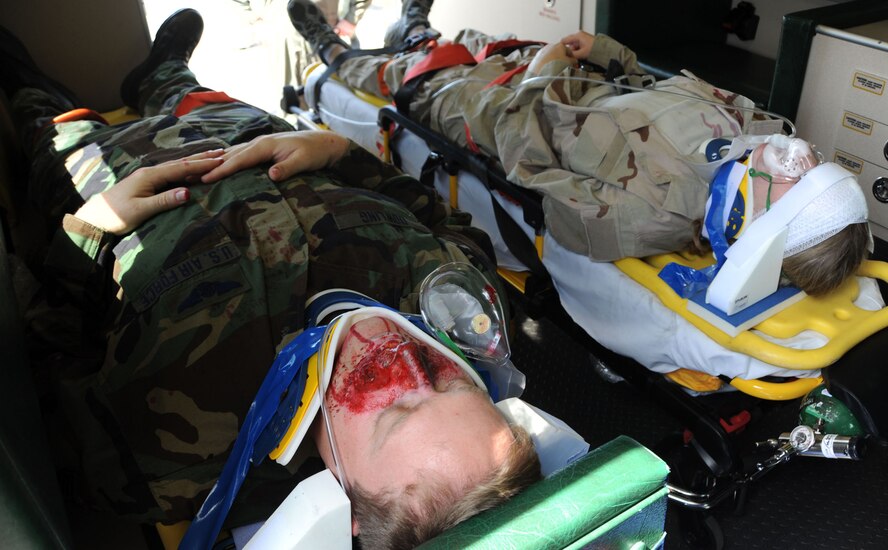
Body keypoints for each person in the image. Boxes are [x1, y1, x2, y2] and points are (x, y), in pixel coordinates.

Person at [0, 8, 540, 547]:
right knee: (189, 92)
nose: (404, 351)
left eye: (395, 410)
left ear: (340, 500)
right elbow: (450, 224)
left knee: (44, 119)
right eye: (450, 380)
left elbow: (45, 358)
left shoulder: (164, 451)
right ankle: (163, 74)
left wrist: (89, 230)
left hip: (98, 171)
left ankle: (29, 86)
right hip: (242, 131)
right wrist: (342, 155)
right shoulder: (470, 317)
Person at [287, 0, 871, 297]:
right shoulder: (753, 134)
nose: (804, 155)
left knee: (404, 73)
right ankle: (415, 23)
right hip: (549, 69)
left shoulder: (643, 215)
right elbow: (657, 87)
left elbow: (522, 169)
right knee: (465, 44)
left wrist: (542, 74)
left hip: (491, 108)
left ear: (764, 223)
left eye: (804, 179)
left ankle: (326, 45)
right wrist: (609, 52)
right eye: (822, 165)